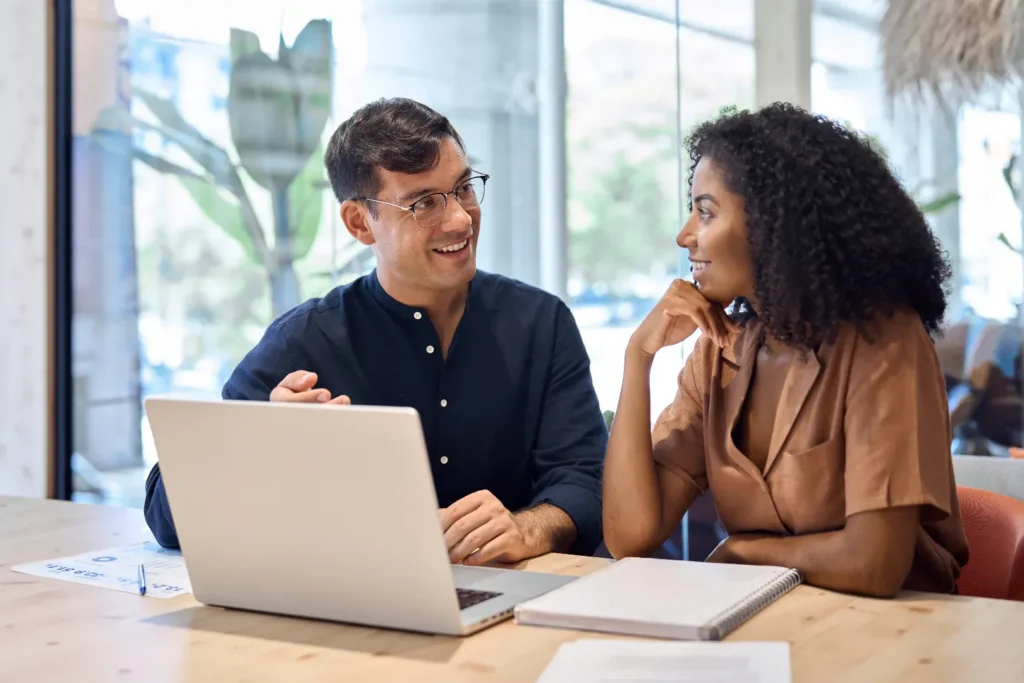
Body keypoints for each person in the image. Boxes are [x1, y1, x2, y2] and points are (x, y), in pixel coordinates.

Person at [144, 97, 607, 564]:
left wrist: (528, 528)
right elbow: (165, 517)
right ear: (360, 223)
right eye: (424, 203)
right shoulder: (303, 340)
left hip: (514, 594)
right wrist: (263, 444)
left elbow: (585, 478)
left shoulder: (540, 322)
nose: (461, 219)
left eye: (464, 188)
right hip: (353, 605)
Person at [602, 103, 969, 597]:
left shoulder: (884, 342)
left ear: (773, 226)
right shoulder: (719, 353)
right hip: (774, 633)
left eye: (705, 211)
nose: (684, 235)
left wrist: (743, 553)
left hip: (897, 641)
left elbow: (874, 564)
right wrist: (637, 356)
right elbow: (630, 535)